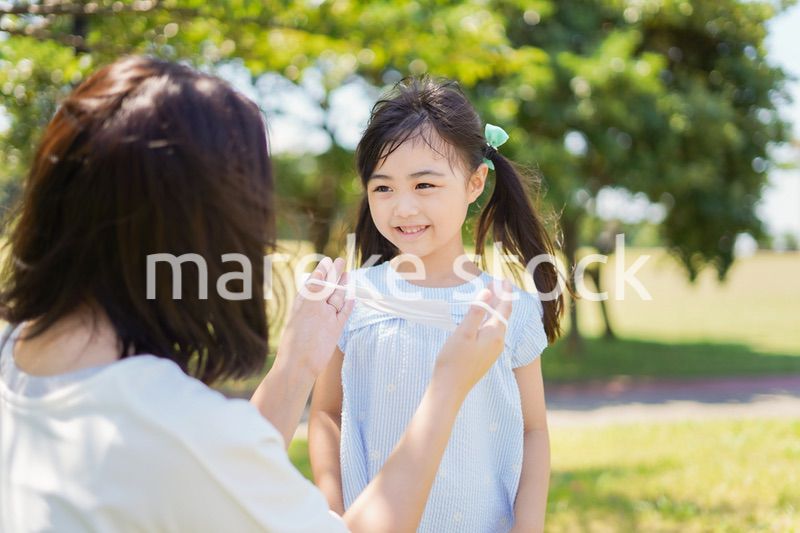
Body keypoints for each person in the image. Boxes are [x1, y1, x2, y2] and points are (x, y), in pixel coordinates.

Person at [0, 56, 513, 532]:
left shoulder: (17, 357)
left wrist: (293, 369)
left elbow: (223, 472)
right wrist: (446, 388)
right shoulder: (176, 427)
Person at [309, 77, 565, 533]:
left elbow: (534, 431)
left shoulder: (508, 309)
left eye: (424, 184)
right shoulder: (350, 299)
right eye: (382, 188)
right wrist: (331, 512)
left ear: (475, 182)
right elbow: (327, 411)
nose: (402, 208)